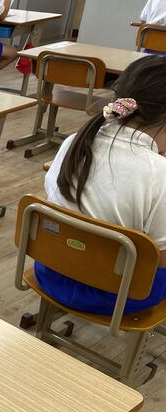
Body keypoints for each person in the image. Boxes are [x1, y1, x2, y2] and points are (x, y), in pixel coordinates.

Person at [37, 55, 166, 315]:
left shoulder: (75, 142)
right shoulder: (158, 172)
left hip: (52, 270)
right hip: (119, 295)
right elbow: (160, 259)